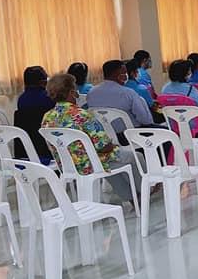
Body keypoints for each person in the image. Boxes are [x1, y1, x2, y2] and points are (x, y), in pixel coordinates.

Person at [41, 73, 140, 206]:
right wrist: (112, 146)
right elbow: (104, 146)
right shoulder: (81, 114)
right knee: (133, 156)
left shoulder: (47, 117)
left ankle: (131, 196)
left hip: (67, 165)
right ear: (72, 92)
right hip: (90, 164)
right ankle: (144, 190)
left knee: (107, 159)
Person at [86, 59, 155, 129]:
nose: (126, 75)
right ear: (116, 75)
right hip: (130, 133)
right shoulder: (129, 93)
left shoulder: (91, 93)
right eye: (124, 73)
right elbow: (145, 120)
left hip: (104, 132)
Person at [14, 65, 55, 162]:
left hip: (27, 149)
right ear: (43, 82)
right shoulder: (49, 98)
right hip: (48, 147)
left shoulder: (21, 99)